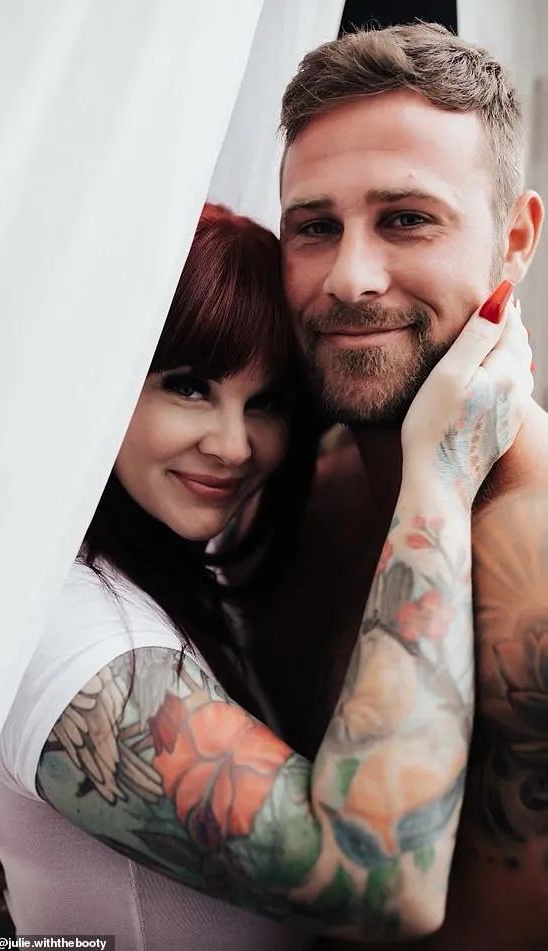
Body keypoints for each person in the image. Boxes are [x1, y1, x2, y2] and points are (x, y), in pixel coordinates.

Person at [0, 197, 530, 949]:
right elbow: (381, 881)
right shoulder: (70, 630)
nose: (233, 447)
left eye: (265, 402)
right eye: (189, 386)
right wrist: (440, 472)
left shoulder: (187, 576)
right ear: (103, 379)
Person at [250, 21, 547, 951]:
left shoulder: (536, 556)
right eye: (315, 227)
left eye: (407, 218)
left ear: (515, 239)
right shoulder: (297, 478)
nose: (350, 278)